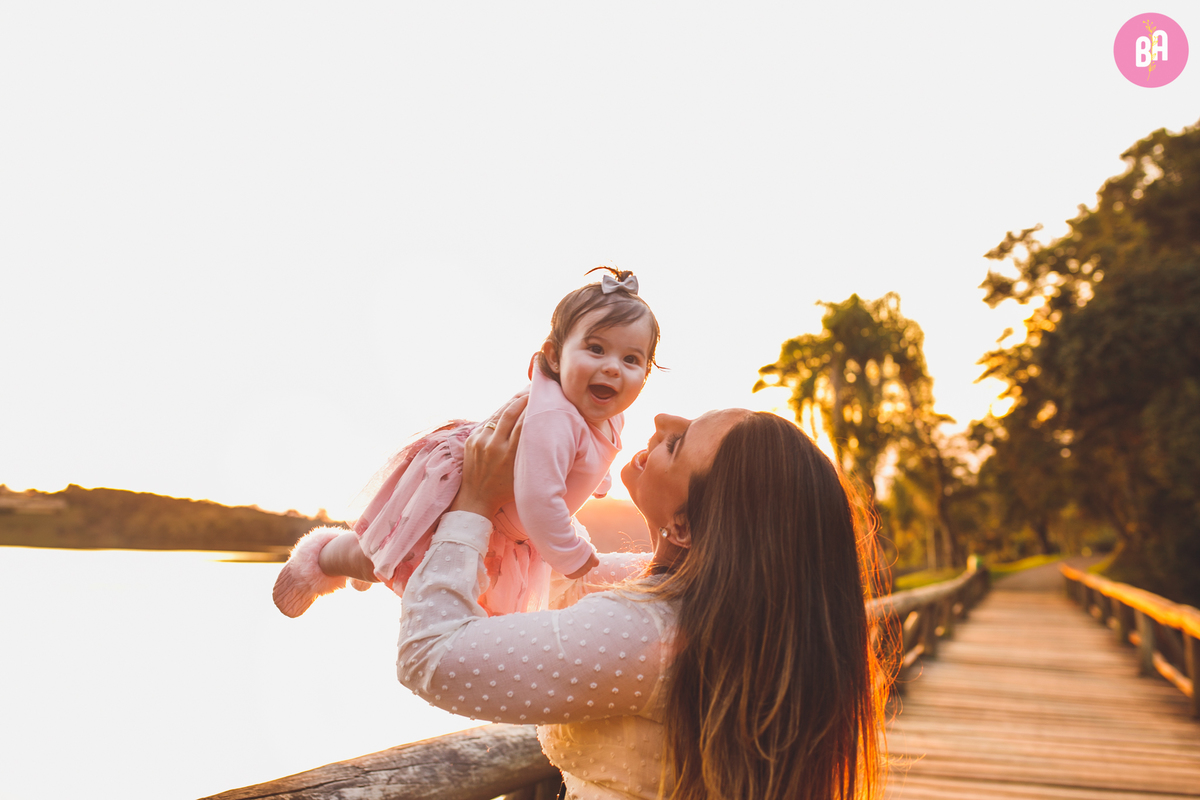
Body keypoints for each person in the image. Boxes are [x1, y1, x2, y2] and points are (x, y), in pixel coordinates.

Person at [383, 398, 888, 800]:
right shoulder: (720, 610)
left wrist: (472, 501)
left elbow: (430, 654)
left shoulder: (649, 629)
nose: (663, 418)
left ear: (685, 526)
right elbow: (573, 577)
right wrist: (547, 480)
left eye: (679, 441)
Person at [272, 268, 661, 618]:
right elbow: (539, 501)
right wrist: (574, 556)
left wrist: (597, 479)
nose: (612, 366)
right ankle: (319, 561)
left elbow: (597, 447)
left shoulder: (604, 409)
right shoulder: (553, 419)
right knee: (390, 559)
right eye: (595, 349)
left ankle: (380, 553)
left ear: (644, 375)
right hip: (462, 496)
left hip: (506, 520)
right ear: (555, 358)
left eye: (630, 359)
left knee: (477, 597)